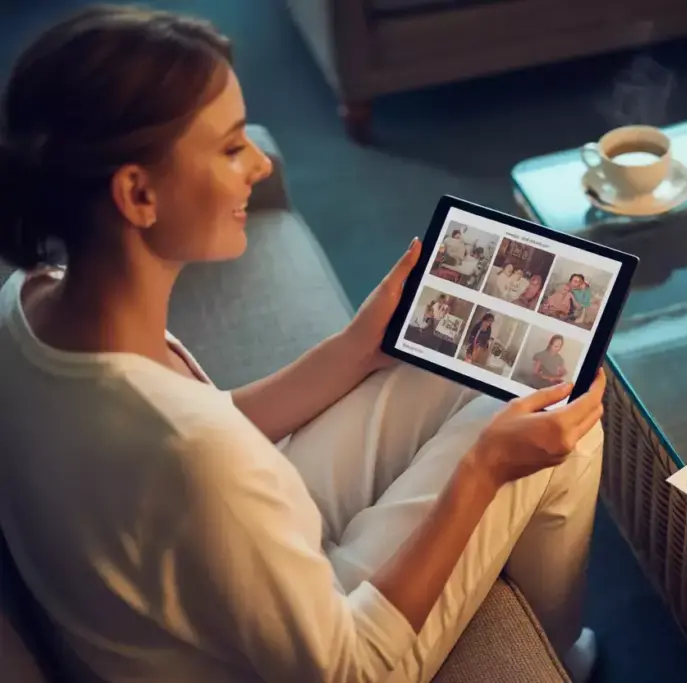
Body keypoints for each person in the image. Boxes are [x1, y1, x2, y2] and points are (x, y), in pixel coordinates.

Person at [0, 7, 605, 683]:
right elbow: (350, 669)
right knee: (560, 424)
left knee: (484, 366)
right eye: (232, 146)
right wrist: (482, 472)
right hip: (311, 644)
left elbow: (207, 433)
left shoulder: (29, 304)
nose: (260, 162)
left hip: (211, 566)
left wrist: (355, 348)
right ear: (137, 193)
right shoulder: (191, 451)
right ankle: (560, 655)